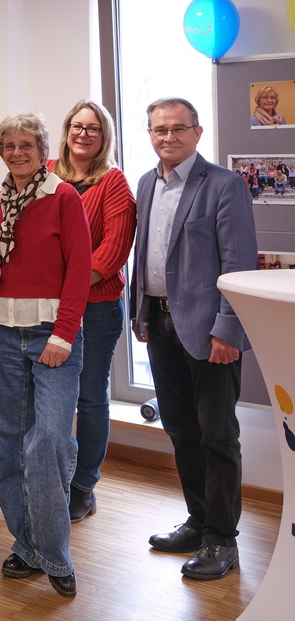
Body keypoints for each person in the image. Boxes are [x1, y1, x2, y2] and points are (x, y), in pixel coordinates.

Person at [131, 97, 258, 580]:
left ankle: (222, 539)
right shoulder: (147, 183)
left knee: (217, 437)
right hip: (161, 325)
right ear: (150, 134)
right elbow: (146, 256)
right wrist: (141, 312)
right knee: (181, 430)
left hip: (209, 331)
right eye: (159, 129)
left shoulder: (225, 186)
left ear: (197, 132)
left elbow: (239, 265)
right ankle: (198, 522)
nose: (168, 137)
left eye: (178, 128)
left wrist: (228, 330)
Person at [0, 112, 91, 599]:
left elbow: (80, 269)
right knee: (8, 442)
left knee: (48, 442)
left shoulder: (62, 197)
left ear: (43, 150)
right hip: (2, 333)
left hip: (52, 336)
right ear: (0, 152)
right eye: (9, 145)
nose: (17, 153)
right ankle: (26, 544)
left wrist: (63, 334)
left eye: (26, 145)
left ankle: (54, 553)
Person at [47, 100, 136, 522]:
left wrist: (67, 289)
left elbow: (114, 250)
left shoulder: (114, 182)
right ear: (67, 131)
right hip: (46, 306)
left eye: (93, 128)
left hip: (96, 309)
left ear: (105, 137)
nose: (83, 134)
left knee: (90, 397)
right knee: (51, 397)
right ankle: (52, 479)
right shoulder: (46, 173)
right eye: (77, 126)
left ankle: (83, 487)